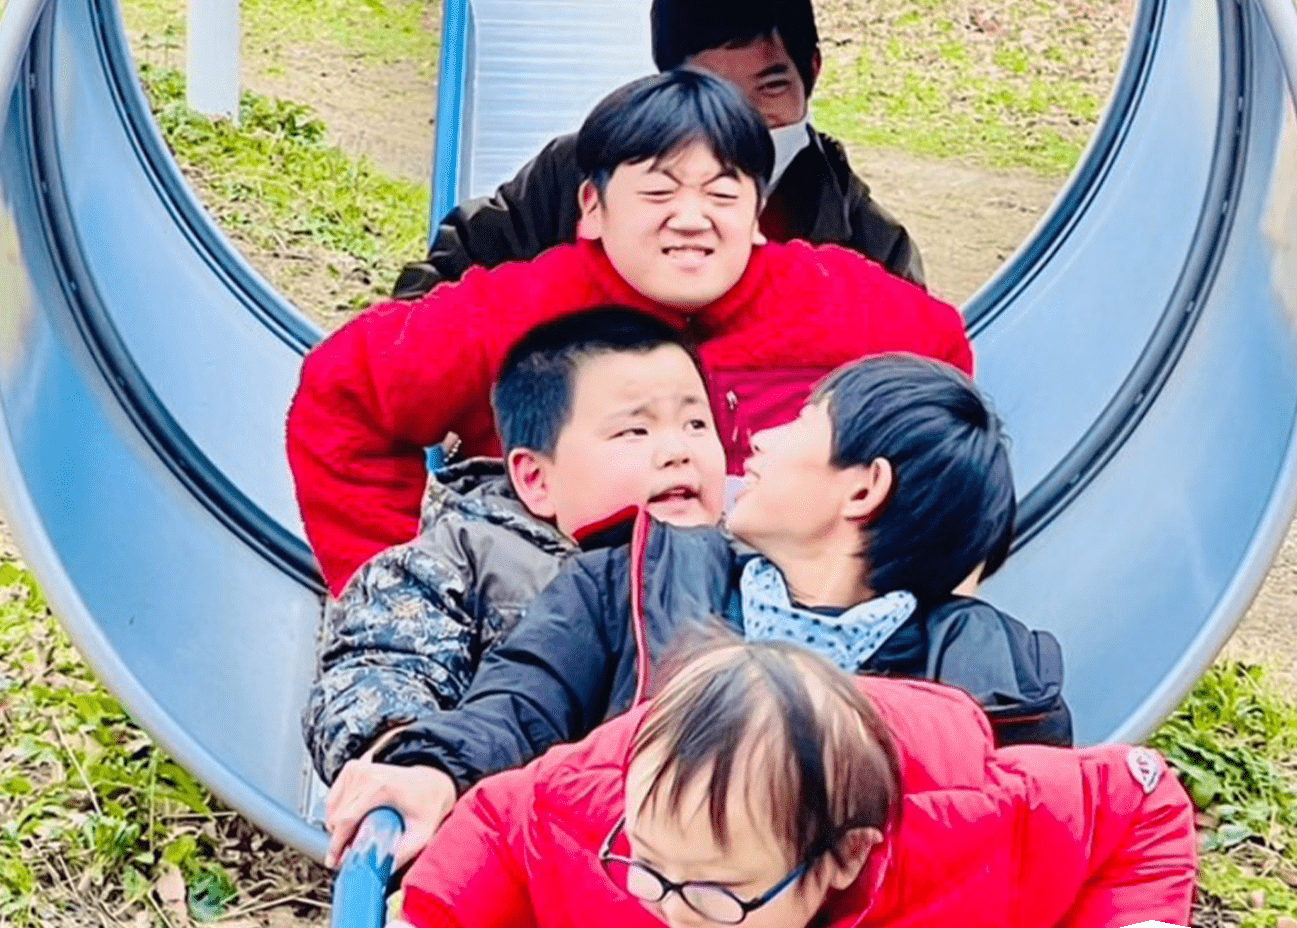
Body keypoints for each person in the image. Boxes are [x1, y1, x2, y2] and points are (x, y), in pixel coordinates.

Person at [325, 353, 1070, 870]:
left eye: (804, 421)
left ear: (862, 488)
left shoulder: (994, 691)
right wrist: (433, 769)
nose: (762, 440)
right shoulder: (627, 580)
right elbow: (520, 707)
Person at [289, 68, 971, 596]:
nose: (691, 218)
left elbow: (943, 372)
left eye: (722, 193)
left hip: (778, 643)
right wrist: (395, 586)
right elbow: (342, 391)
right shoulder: (521, 310)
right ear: (592, 206)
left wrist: (891, 570)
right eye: (658, 192)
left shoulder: (838, 304)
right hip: (556, 634)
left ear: (758, 211)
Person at [327, 629, 1197, 928]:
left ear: (846, 855)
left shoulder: (970, 829)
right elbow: (508, 824)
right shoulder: (604, 819)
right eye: (650, 866)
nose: (672, 906)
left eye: (718, 888)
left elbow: (1139, 803)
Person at [304, 307, 728, 831]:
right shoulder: (462, 559)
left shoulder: (747, 564)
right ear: (536, 479)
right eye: (634, 431)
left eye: (696, 424)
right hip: (511, 830)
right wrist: (410, 754)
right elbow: (380, 665)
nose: (678, 451)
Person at [391, 0, 923, 299]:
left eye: (770, 88)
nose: (743, 121)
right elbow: (431, 296)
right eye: (714, 92)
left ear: (812, 72)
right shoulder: (578, 172)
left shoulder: (869, 244)